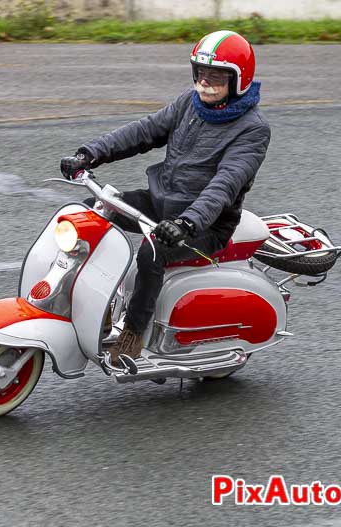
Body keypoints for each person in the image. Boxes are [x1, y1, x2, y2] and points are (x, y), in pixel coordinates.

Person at [60, 30, 271, 366]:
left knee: (151, 252)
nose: (205, 84)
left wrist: (188, 222)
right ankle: (87, 307)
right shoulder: (189, 103)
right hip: (162, 203)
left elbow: (225, 184)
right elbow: (144, 131)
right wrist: (89, 154)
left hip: (205, 224)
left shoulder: (252, 129)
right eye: (201, 74)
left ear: (239, 79)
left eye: (216, 77)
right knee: (92, 214)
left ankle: (132, 334)